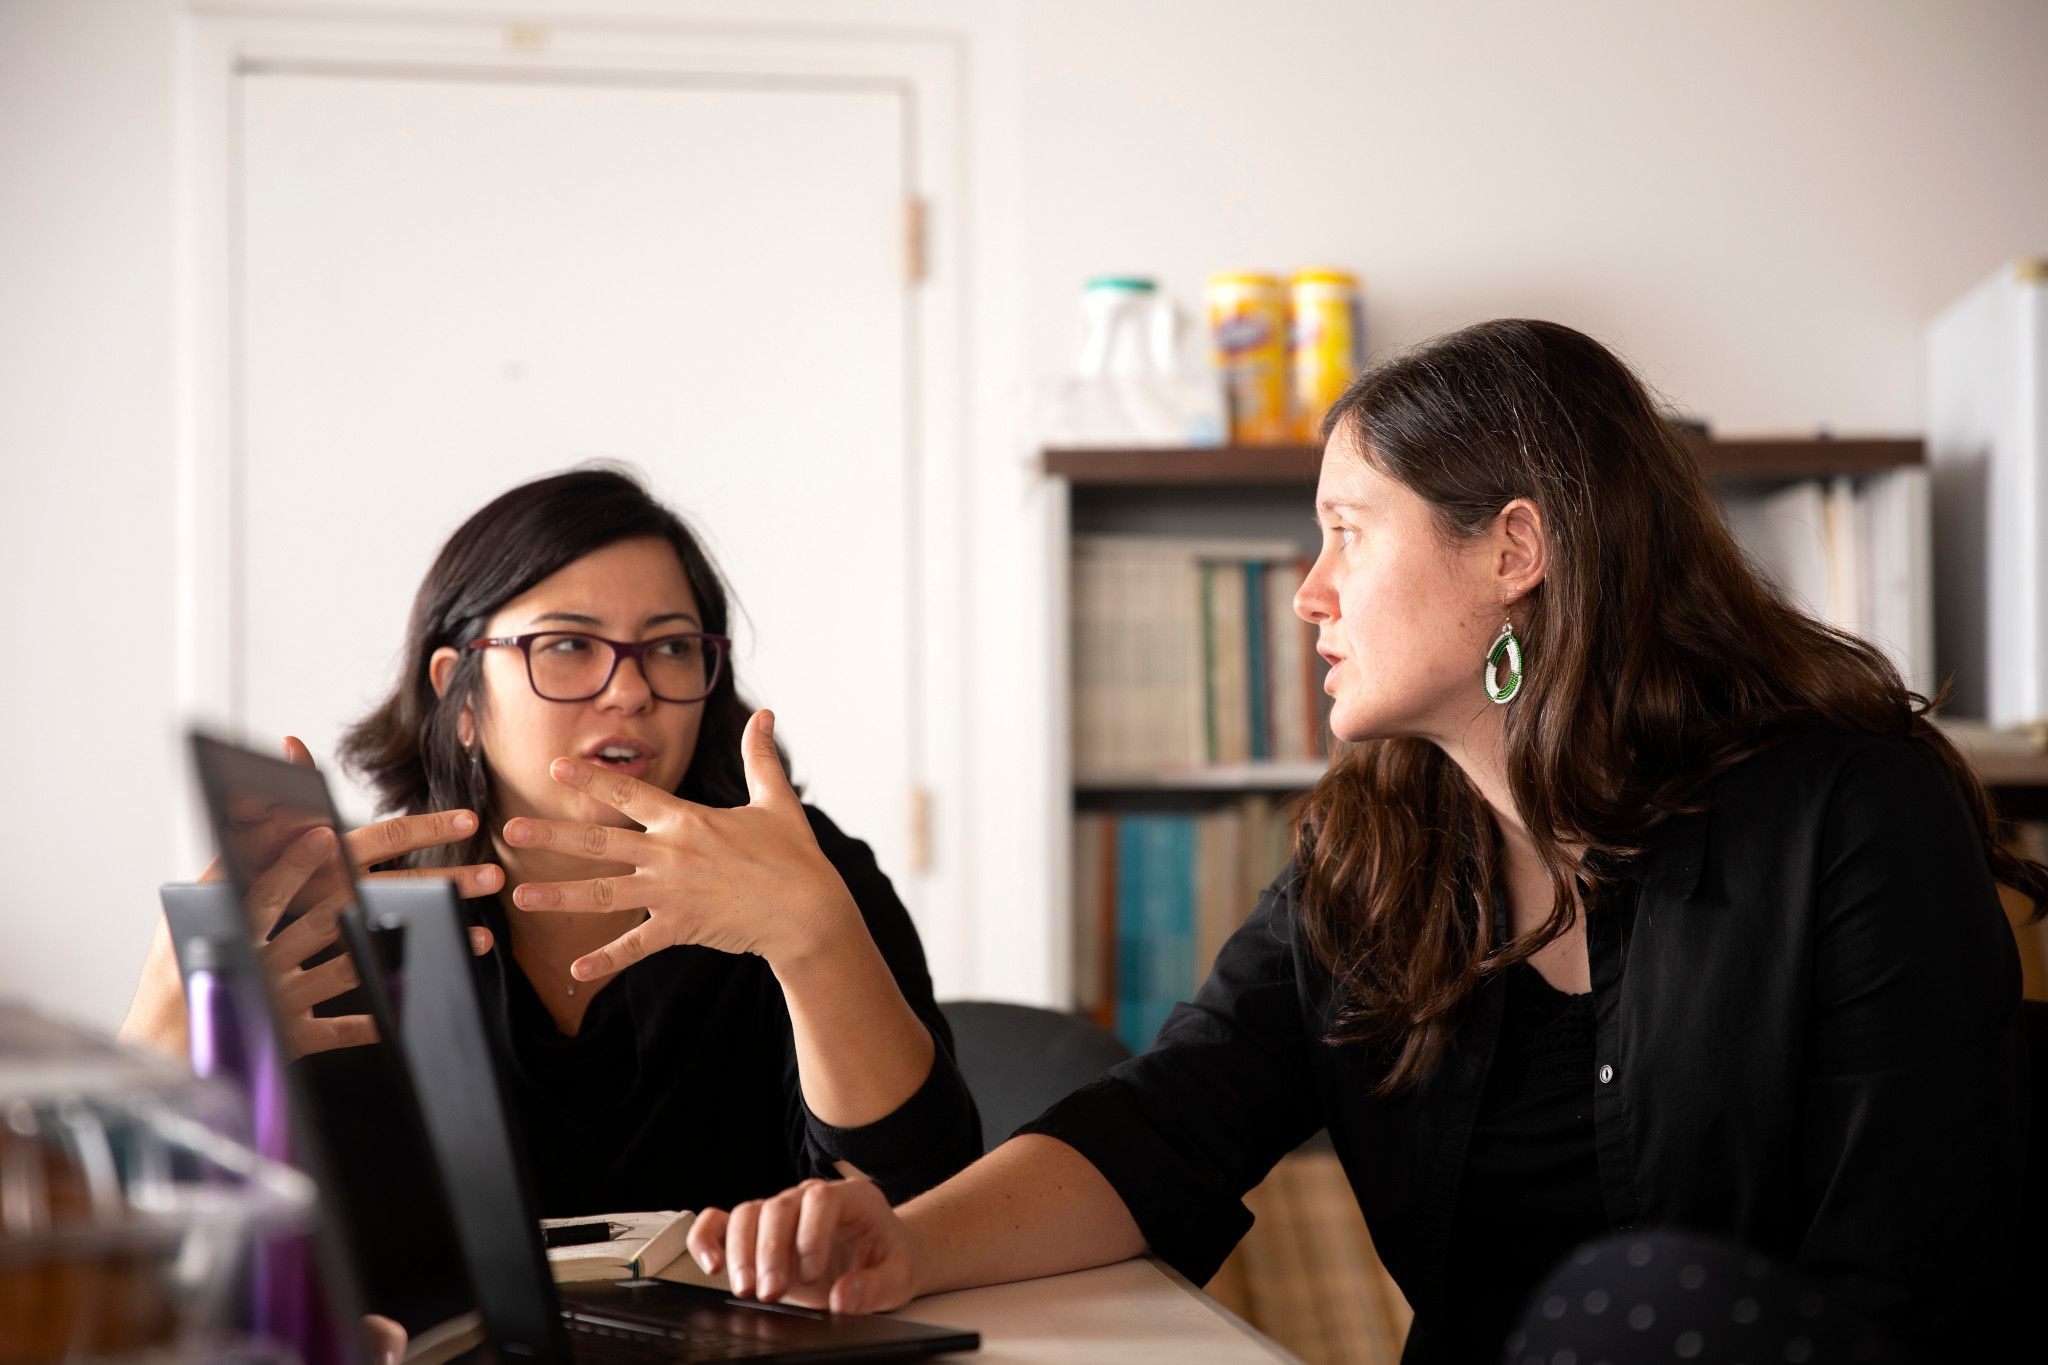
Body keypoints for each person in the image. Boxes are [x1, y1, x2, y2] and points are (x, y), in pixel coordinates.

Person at [683, 320, 2043, 1363]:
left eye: (1347, 533)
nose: (1309, 596)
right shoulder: (1371, 856)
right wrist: (901, 1247)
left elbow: (1915, 1290)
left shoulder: (1851, 816)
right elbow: (1171, 1121)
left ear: (1516, 547)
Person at [122, 468, 981, 1221]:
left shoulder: (805, 875)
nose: (633, 689)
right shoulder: (338, 923)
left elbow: (925, 1211)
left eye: (672, 648)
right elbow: (186, 1248)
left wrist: (814, 938)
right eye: (568, 645)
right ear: (458, 695)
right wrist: (168, 1044)